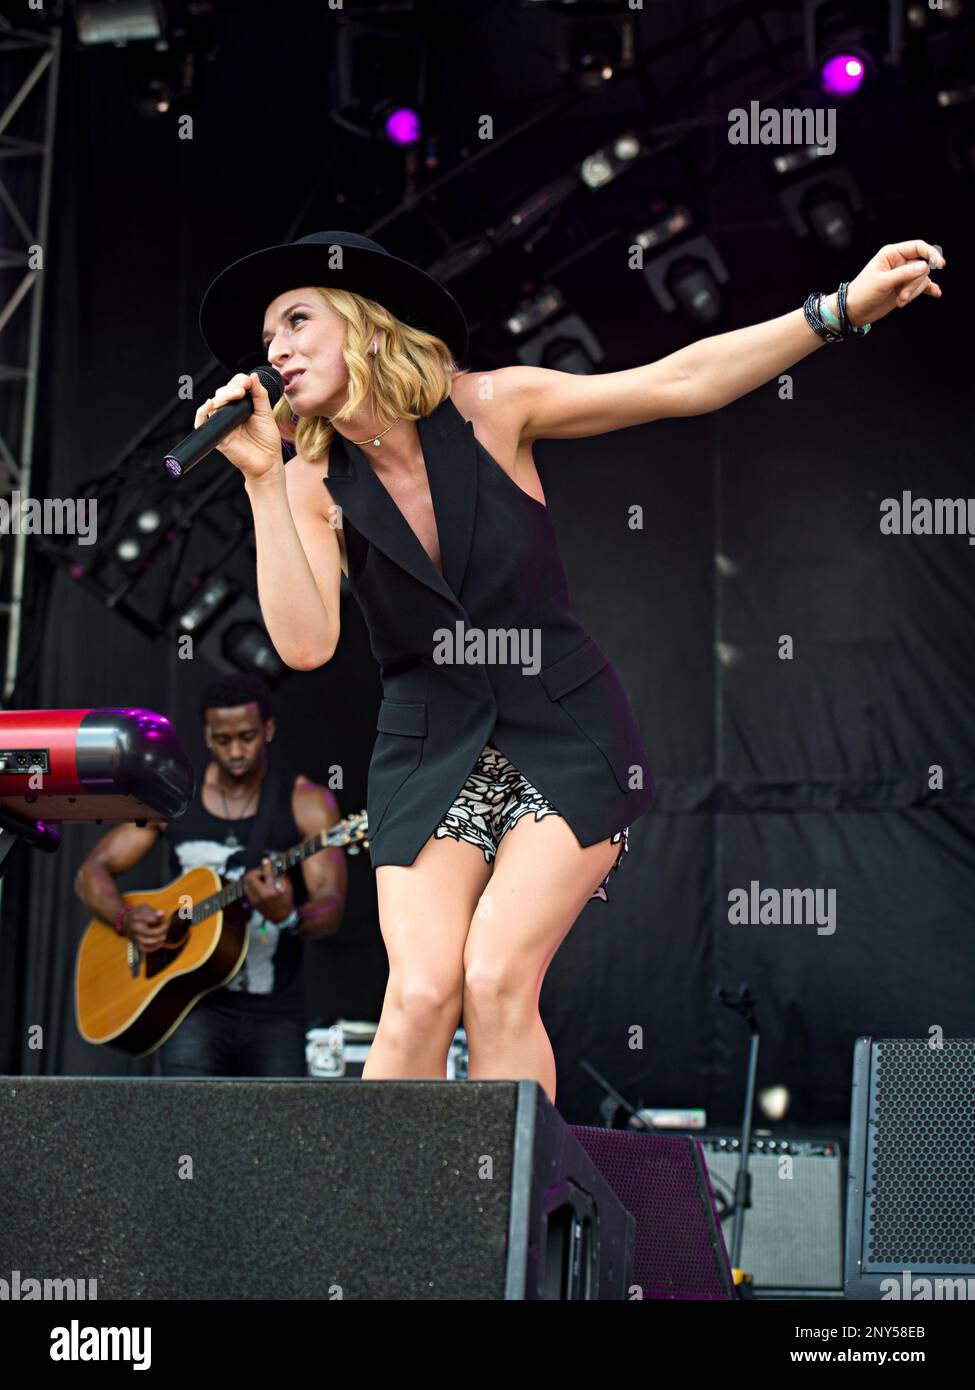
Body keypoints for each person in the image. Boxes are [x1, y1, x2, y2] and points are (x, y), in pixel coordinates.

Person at [194, 230, 944, 1103]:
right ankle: (372, 1236)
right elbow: (306, 646)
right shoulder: (309, 481)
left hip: (561, 728)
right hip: (426, 746)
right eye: (268, 336)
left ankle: (519, 1231)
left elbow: (675, 382)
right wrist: (259, 482)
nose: (276, 347)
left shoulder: (490, 408)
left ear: (366, 326)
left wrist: (836, 310)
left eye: (296, 319)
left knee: (494, 976)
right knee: (421, 993)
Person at [74, 673, 348, 1076]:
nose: (236, 751)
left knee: (279, 1136)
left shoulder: (307, 803)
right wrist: (124, 917)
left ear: (268, 729)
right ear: (206, 735)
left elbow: (332, 904)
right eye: (223, 739)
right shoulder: (175, 798)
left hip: (276, 1013)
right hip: (189, 1006)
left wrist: (289, 915)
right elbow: (91, 871)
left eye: (247, 737)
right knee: (189, 1133)